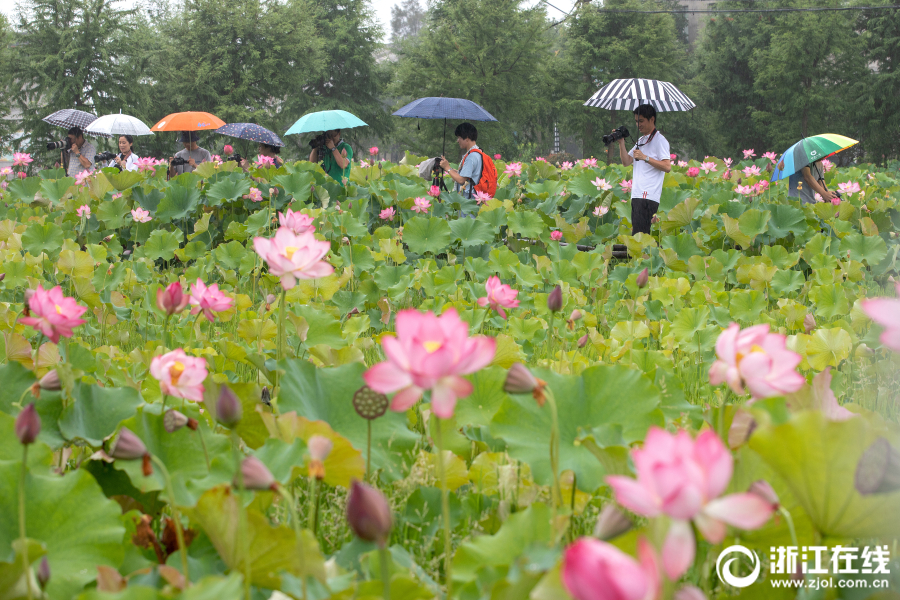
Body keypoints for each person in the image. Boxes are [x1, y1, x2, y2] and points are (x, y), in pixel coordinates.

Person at [615, 104, 672, 236]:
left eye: (641, 121)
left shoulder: (660, 140)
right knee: (637, 235)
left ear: (652, 119)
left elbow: (667, 167)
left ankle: (643, 257)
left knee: (641, 237)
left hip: (648, 195)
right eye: (636, 121)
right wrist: (621, 142)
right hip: (637, 194)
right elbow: (626, 162)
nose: (638, 125)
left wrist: (646, 158)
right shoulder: (641, 140)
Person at [439, 122, 481, 199]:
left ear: (467, 138)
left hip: (468, 199)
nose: (458, 141)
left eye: (459, 137)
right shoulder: (478, 153)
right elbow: (468, 176)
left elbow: (461, 180)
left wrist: (447, 168)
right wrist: (452, 170)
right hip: (474, 198)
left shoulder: (471, 157)